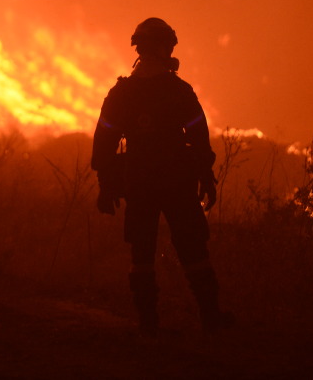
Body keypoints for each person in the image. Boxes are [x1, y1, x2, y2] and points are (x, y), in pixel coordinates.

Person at [91, 17, 234, 336]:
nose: (171, 52)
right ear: (159, 47)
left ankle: (148, 323)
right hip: (176, 178)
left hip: (139, 178)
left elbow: (105, 142)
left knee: (141, 251)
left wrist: (106, 184)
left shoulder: (122, 94)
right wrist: (206, 177)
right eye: (168, 46)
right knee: (192, 247)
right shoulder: (178, 91)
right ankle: (210, 317)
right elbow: (198, 137)